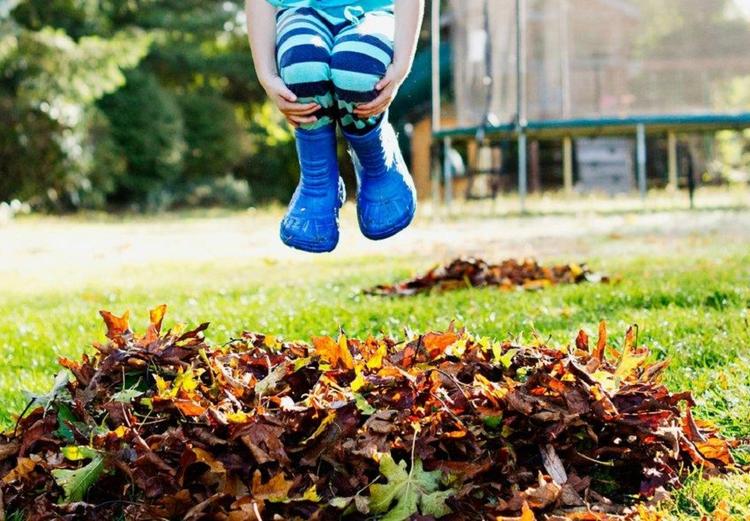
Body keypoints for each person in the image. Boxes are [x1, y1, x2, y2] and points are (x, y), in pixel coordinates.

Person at [245, 0, 425, 253]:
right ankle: (317, 180)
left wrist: (401, 66)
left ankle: (376, 161)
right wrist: (266, 74)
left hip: (372, 10)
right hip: (301, 9)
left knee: (356, 71)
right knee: (302, 65)